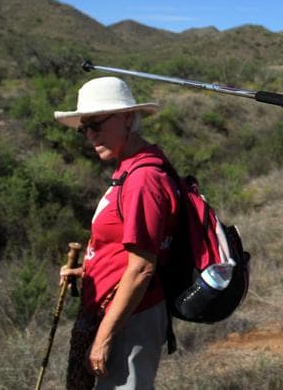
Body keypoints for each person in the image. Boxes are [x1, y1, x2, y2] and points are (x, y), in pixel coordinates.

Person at [54, 76, 180, 389]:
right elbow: (126, 251)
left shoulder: (142, 179)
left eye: (96, 124)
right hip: (121, 313)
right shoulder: (128, 168)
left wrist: (103, 338)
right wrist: (89, 271)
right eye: (85, 128)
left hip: (131, 318)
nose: (90, 135)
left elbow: (142, 268)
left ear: (126, 118)